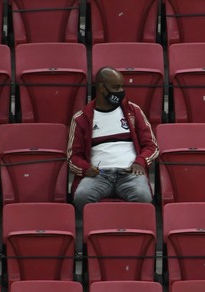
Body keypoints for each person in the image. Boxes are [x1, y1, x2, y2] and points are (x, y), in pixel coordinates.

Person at [67, 67, 159, 210]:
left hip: (129, 173)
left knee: (143, 197)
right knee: (82, 196)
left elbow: (151, 146)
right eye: (116, 87)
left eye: (122, 86)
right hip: (99, 175)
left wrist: (140, 162)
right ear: (102, 88)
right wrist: (86, 169)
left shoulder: (133, 111)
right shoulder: (81, 118)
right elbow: (73, 156)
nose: (121, 91)